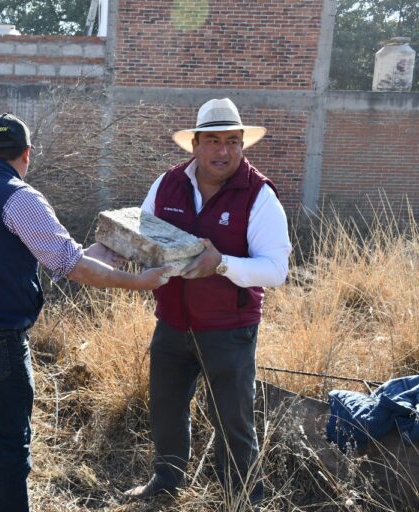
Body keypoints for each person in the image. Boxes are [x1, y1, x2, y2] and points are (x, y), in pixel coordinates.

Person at [0, 113, 172, 512]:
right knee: (10, 442)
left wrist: (104, 255)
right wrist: (138, 282)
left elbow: (61, 259)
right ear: (27, 154)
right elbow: (71, 266)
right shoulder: (20, 197)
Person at [124, 98, 292, 505]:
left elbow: (275, 270)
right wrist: (119, 253)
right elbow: (142, 233)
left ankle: (241, 497)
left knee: (232, 419)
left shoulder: (259, 195)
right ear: (195, 145)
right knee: (165, 406)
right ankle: (166, 482)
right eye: (214, 141)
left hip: (228, 329)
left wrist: (222, 265)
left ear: (242, 146)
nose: (224, 151)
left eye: (233, 142)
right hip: (172, 321)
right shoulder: (167, 183)